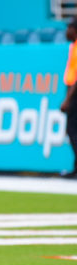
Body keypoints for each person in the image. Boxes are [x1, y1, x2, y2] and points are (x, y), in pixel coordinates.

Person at [60, 17, 77, 178]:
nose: (66, 31)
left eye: (69, 28)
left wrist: (68, 99)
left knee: (72, 130)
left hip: (75, 94)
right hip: (72, 91)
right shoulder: (73, 47)